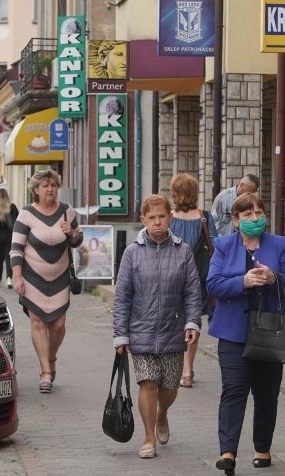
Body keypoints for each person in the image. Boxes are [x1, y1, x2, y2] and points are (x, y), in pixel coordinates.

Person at [206, 192, 285, 475]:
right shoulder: (223, 246)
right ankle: (228, 453)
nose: (254, 218)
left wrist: (274, 279)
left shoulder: (280, 244)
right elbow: (212, 285)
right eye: (247, 215)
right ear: (235, 221)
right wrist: (242, 282)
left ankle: (262, 448)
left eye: (259, 213)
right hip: (233, 332)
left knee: (266, 393)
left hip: (270, 332)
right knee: (234, 390)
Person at [112, 194, 201, 460]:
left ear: (170, 217)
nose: (157, 222)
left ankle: (163, 413)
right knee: (148, 383)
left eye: (162, 216)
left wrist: (192, 321)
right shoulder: (133, 252)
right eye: (151, 218)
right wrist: (120, 334)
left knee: (169, 387)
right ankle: (149, 437)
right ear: (143, 220)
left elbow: (193, 291)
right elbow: (122, 295)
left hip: (173, 328)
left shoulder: (182, 251)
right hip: (141, 328)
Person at [10, 169, 83, 394]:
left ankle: (51, 357)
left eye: (53, 185)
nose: (50, 189)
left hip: (60, 277)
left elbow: (78, 240)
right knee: (38, 323)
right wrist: (17, 275)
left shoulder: (66, 212)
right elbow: (16, 247)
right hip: (32, 277)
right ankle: (45, 372)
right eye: (45, 186)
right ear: (35, 190)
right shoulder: (27, 214)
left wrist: (71, 233)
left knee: (59, 325)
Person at [167, 173, 217, 389]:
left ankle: (180, 367)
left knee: (177, 321)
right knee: (193, 321)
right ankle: (188, 369)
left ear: (175, 194)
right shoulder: (205, 218)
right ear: (194, 193)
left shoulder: (168, 218)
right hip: (200, 277)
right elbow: (215, 246)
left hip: (172, 278)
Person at [0, 185, 19, 289]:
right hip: (9, 234)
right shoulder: (12, 207)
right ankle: (9, 279)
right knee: (8, 258)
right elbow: (17, 219)